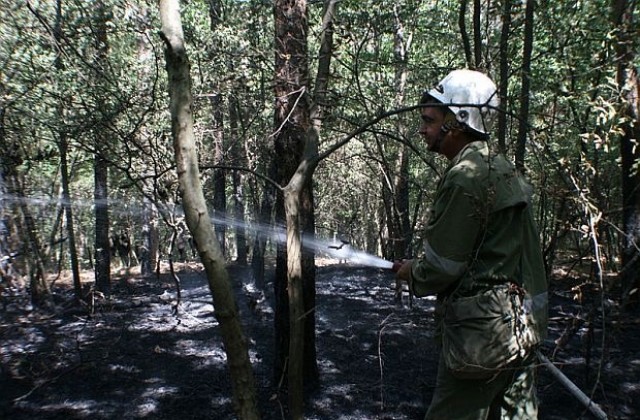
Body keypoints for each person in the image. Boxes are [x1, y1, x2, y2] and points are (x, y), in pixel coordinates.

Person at [393, 69, 548, 419]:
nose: (423, 129)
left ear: (457, 122)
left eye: (429, 120)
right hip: (521, 328)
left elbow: (443, 267)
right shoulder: (502, 166)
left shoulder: (466, 176)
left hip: (484, 339)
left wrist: (410, 273)